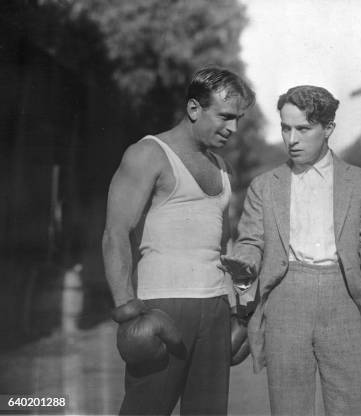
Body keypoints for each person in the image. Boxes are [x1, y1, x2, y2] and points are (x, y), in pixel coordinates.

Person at [220, 85, 361, 416]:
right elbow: (251, 241)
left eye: (303, 128)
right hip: (285, 300)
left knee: (354, 403)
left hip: (345, 299)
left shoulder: (360, 182)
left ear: (328, 129)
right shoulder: (265, 186)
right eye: (285, 128)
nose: (291, 139)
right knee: (289, 408)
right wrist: (244, 265)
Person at [101, 66, 255, 415]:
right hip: (163, 308)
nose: (233, 128)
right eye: (225, 117)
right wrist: (128, 313)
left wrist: (237, 309)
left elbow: (224, 244)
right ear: (194, 109)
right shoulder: (148, 154)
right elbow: (115, 233)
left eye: (238, 119)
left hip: (215, 306)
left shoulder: (223, 168)